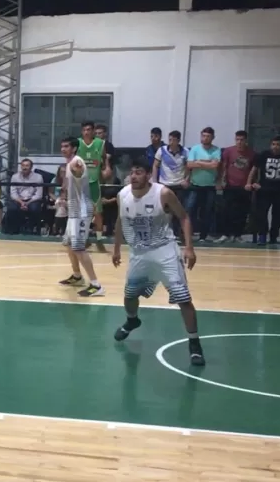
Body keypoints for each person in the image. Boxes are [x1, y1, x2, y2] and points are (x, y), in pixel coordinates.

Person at [111, 159, 205, 366]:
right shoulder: (122, 195)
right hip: (139, 252)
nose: (133, 176)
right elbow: (120, 221)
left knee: (183, 298)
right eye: (131, 172)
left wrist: (189, 247)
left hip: (165, 251)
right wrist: (117, 248)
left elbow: (184, 217)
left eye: (138, 172)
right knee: (129, 295)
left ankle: (194, 342)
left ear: (148, 176)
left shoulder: (163, 194)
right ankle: (132, 320)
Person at [58, 137, 104, 297]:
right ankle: (77, 276)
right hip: (73, 210)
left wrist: (77, 169)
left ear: (74, 148)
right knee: (69, 245)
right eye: (62, 146)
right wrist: (62, 197)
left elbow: (78, 170)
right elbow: (68, 183)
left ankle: (96, 285)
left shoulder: (77, 162)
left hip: (82, 210)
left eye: (66, 146)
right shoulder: (69, 162)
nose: (63, 149)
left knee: (78, 247)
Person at [77, 121, 110, 248]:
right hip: (81, 183)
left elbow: (104, 158)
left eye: (89, 130)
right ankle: (84, 238)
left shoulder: (100, 143)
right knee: (83, 214)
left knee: (98, 213)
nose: (86, 132)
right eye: (84, 130)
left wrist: (107, 167)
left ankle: (99, 239)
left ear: (93, 131)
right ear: (82, 131)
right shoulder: (77, 143)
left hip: (95, 182)